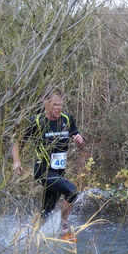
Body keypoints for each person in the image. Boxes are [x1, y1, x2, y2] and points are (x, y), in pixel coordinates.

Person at [11, 86, 85, 241]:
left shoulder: (67, 119)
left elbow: (77, 137)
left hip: (58, 171)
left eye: (61, 105)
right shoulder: (36, 122)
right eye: (55, 105)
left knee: (46, 211)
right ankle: (64, 229)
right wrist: (17, 162)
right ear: (45, 102)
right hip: (43, 170)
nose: (59, 108)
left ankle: (27, 239)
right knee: (71, 191)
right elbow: (16, 142)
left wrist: (79, 140)